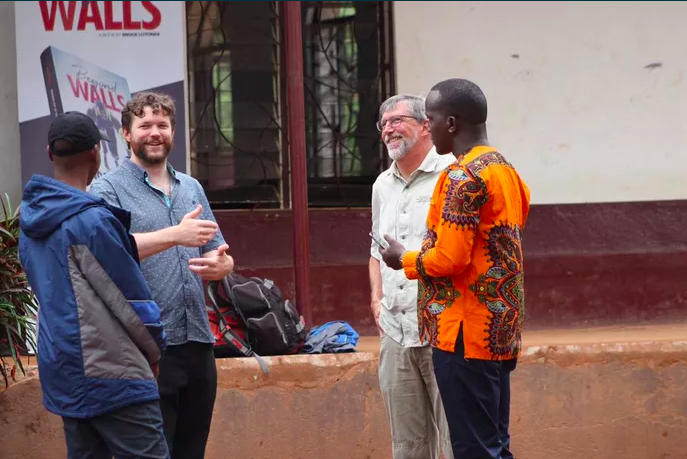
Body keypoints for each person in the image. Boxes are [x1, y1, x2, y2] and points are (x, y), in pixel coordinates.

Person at [380, 79, 531, 459]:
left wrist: (403, 259)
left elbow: (449, 259)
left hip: (463, 331)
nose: (426, 127)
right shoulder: (504, 170)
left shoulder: (461, 177)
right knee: (495, 443)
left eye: (429, 119)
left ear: (450, 123)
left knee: (473, 448)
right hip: (499, 328)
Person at [89, 92, 234, 459]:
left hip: (199, 342)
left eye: (162, 125)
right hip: (146, 345)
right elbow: (107, 250)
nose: (155, 133)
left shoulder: (191, 187)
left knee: (192, 448)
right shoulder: (107, 189)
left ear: (172, 132)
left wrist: (222, 266)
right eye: (145, 126)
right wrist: (174, 236)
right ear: (126, 133)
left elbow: (217, 248)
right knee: (151, 452)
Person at [18, 111, 169, 459]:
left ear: (50, 153)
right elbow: (131, 301)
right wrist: (154, 351)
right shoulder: (92, 221)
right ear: (96, 154)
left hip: (64, 372)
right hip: (115, 372)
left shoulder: (29, 223)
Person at [370, 94, 455, 459]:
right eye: (383, 123)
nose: (388, 128)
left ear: (425, 126)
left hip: (442, 327)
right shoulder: (381, 186)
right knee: (407, 446)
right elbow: (376, 251)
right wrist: (376, 300)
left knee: (455, 440)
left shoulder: (454, 174)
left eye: (397, 120)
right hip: (395, 330)